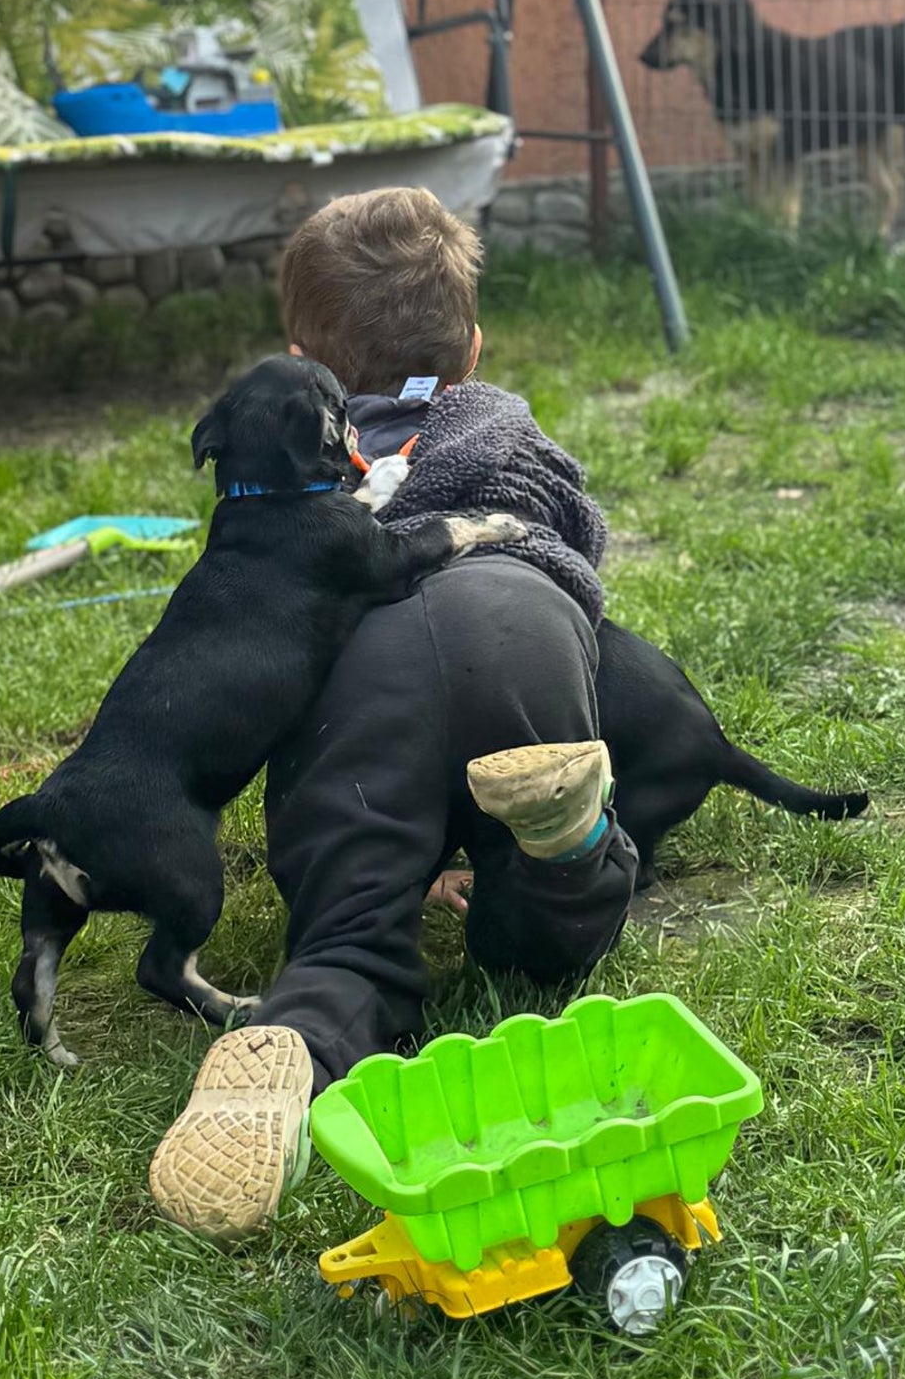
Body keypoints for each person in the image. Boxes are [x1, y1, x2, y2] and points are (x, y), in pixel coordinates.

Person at [148, 188, 638, 1242]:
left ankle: (297, 1041)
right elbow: (574, 529)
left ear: (300, 358)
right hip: (519, 622)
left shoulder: (285, 473)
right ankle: (562, 845)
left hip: (361, 673)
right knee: (550, 917)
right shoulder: (501, 426)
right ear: (473, 349)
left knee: (349, 935)